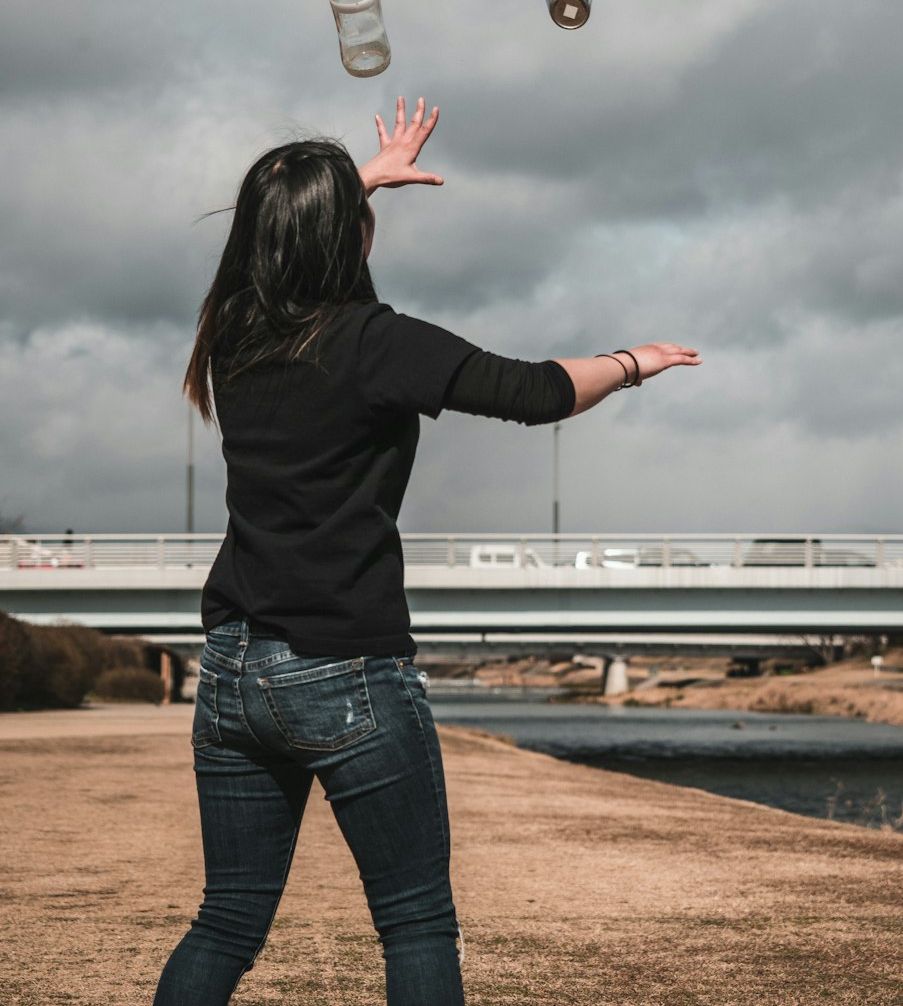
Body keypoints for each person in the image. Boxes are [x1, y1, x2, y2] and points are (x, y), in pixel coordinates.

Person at [154, 97, 700, 1006]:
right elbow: (536, 392)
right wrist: (634, 358)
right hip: (346, 669)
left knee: (226, 919)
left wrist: (360, 179)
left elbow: (282, 247)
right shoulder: (376, 343)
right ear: (345, 237)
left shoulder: (234, 331)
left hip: (234, 667)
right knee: (413, 921)